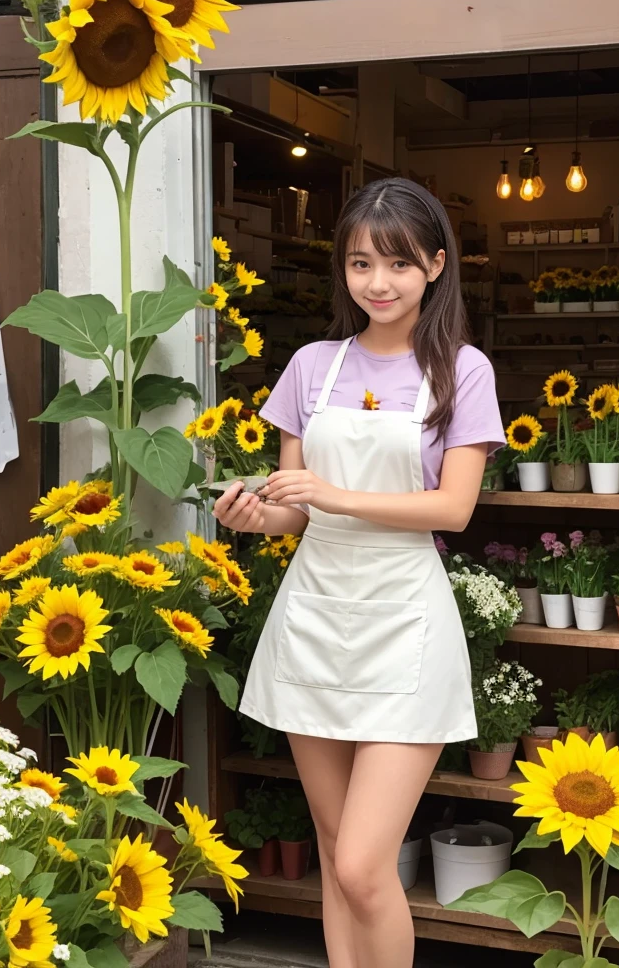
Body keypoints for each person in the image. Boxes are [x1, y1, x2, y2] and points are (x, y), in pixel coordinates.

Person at [213, 177, 505, 968]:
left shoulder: (462, 371)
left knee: (361, 866)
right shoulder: (313, 366)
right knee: (335, 844)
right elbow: (294, 511)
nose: (378, 283)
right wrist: (253, 516)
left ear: (437, 266)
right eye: (360, 264)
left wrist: (331, 493)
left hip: (405, 621)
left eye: (399, 265)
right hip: (314, 615)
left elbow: (453, 511)